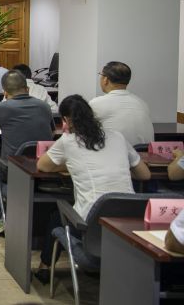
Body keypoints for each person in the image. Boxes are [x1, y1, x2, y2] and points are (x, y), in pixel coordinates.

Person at [34, 95, 151, 283]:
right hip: (129, 226)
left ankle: (45, 268)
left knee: (57, 216)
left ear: (66, 120)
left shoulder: (68, 140)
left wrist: (68, 166)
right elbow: (144, 175)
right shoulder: (117, 136)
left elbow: (43, 166)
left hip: (91, 227)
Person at [0, 71, 54, 235]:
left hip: (12, 171)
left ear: (4, 92)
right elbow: (52, 132)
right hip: (43, 169)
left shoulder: (1, 107)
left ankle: (2, 215)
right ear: (27, 89)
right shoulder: (44, 106)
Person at [89, 61, 154, 147]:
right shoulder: (142, 103)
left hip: (118, 153)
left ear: (105, 80)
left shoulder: (96, 103)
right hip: (144, 153)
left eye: (100, 75)